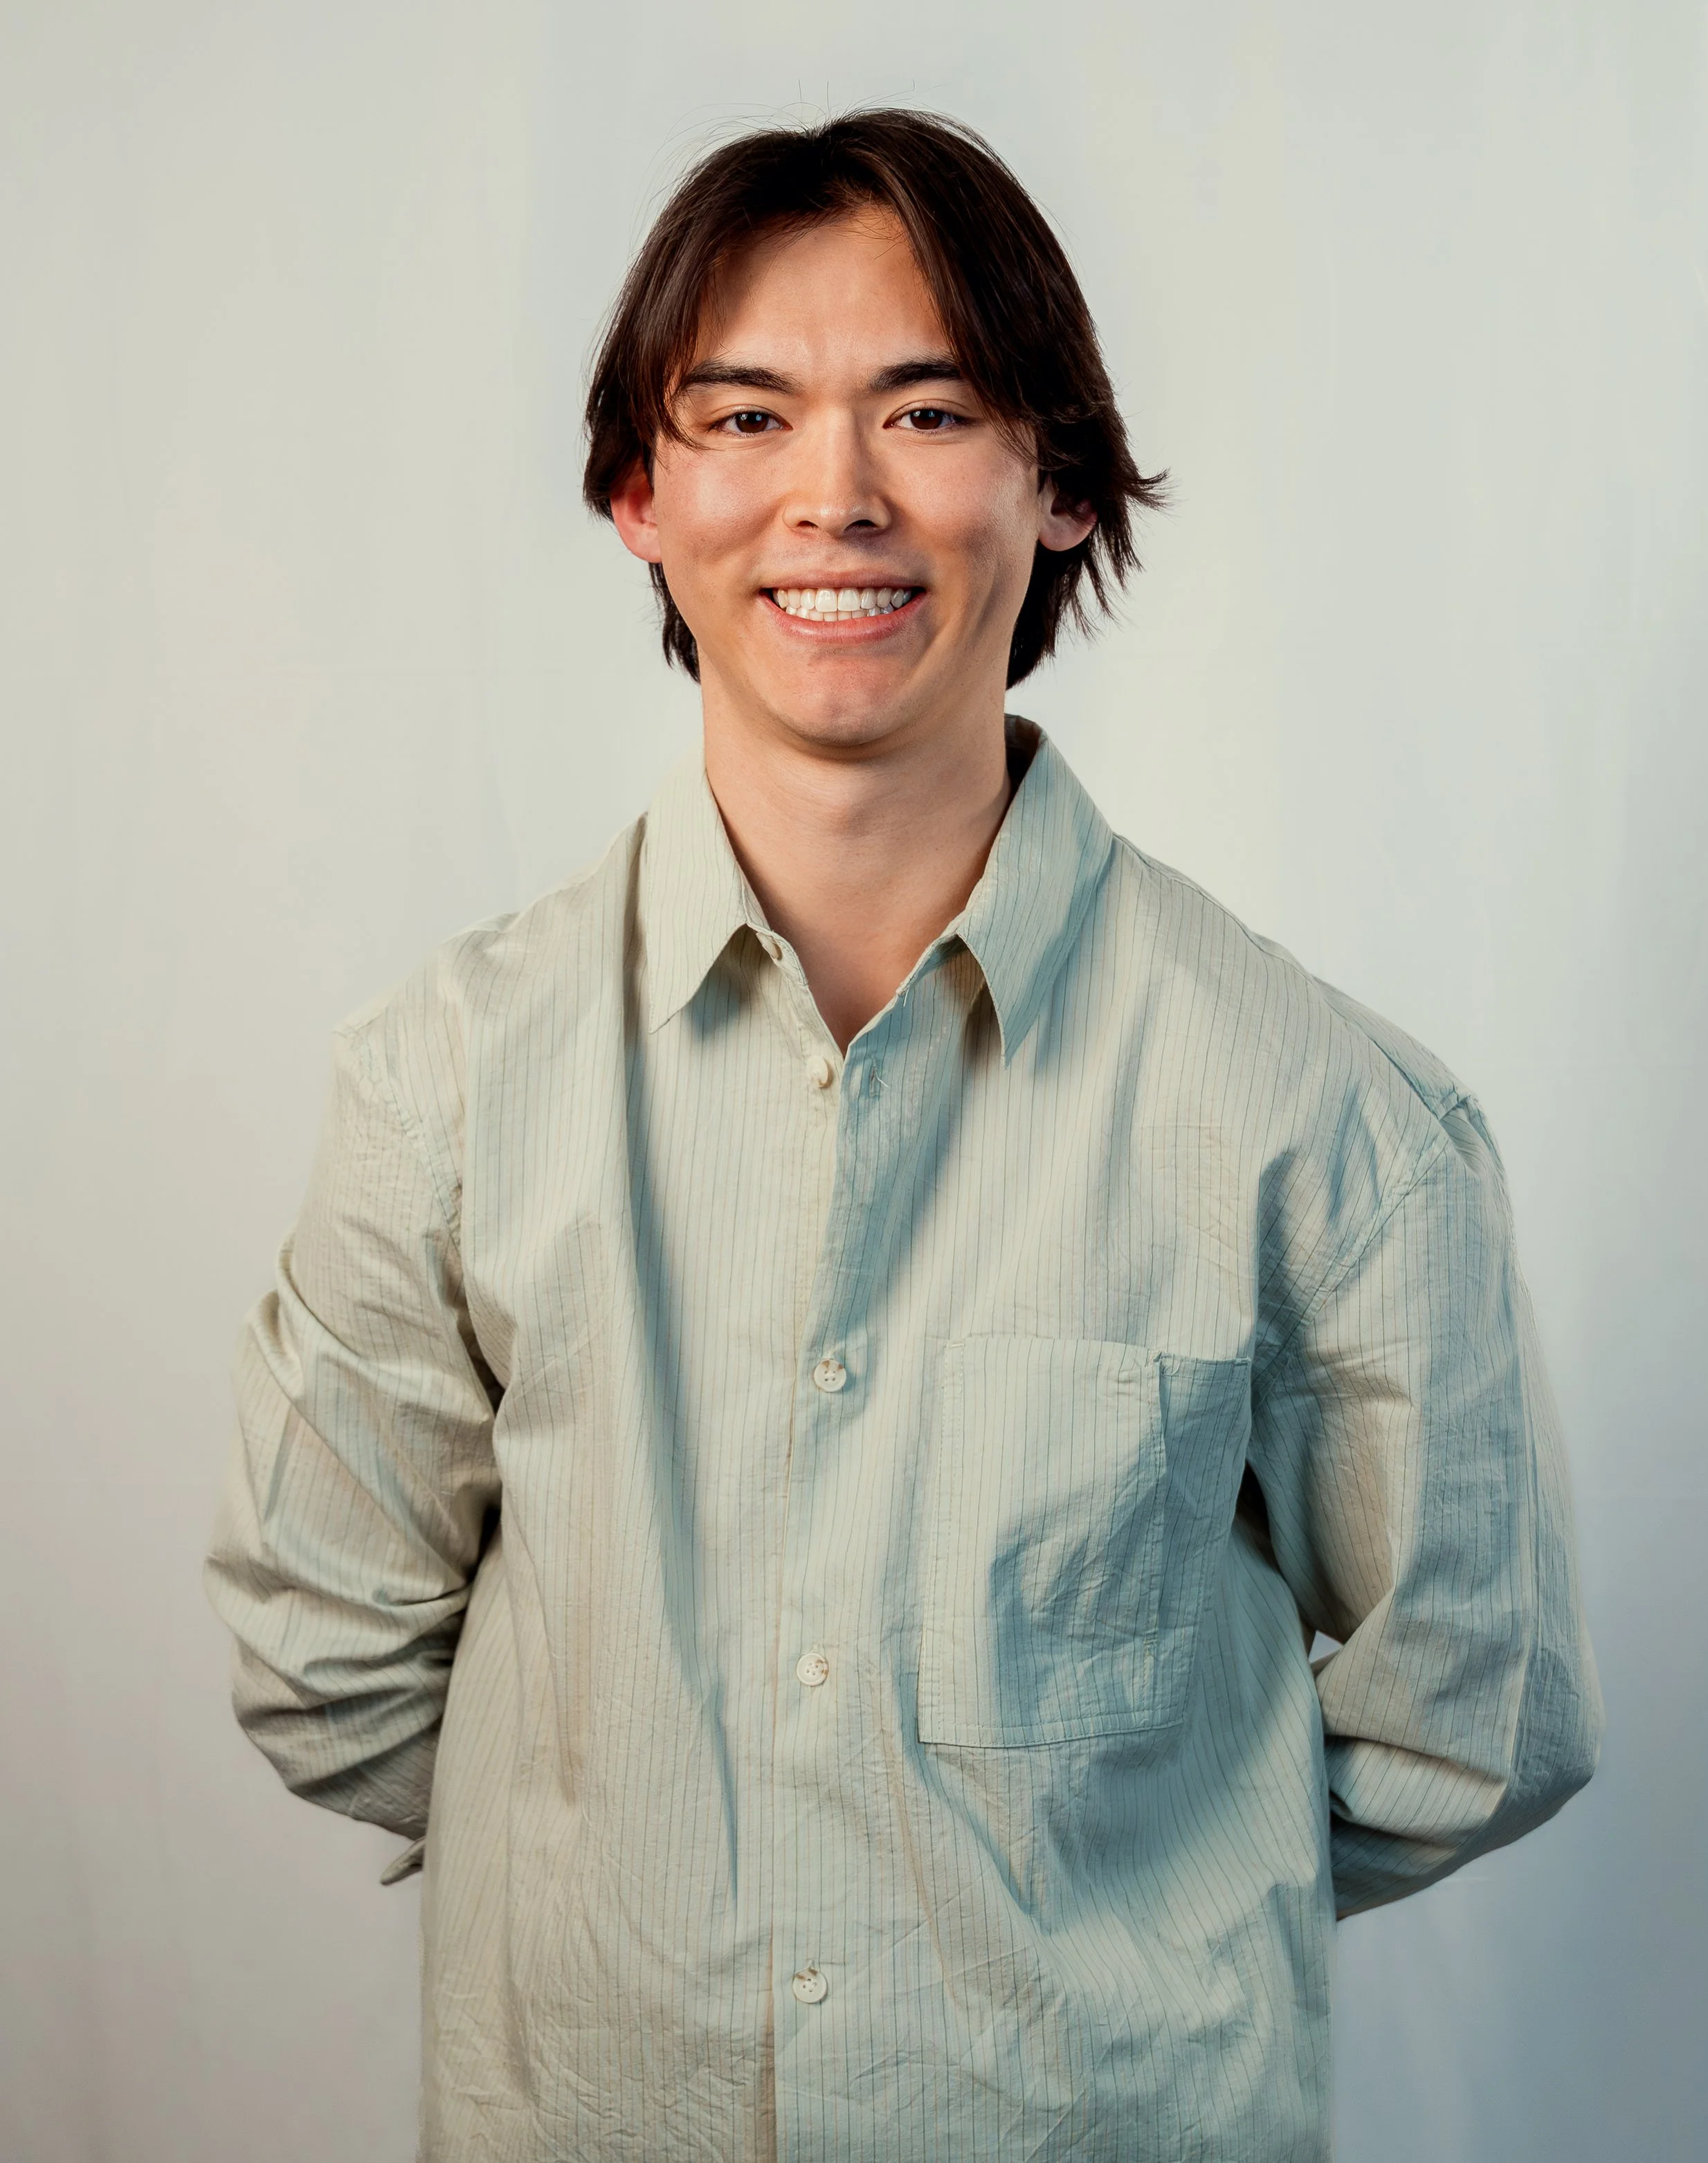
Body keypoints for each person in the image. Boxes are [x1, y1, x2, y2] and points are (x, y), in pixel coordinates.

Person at [206, 109, 1602, 2162]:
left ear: (1058, 480)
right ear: (636, 494)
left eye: (929, 412)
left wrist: (1140, 1887)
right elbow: (327, 1642)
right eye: (744, 415)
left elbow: (1472, 1705)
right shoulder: (455, 1080)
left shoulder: (1318, 1113)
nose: (836, 495)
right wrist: (617, 1868)